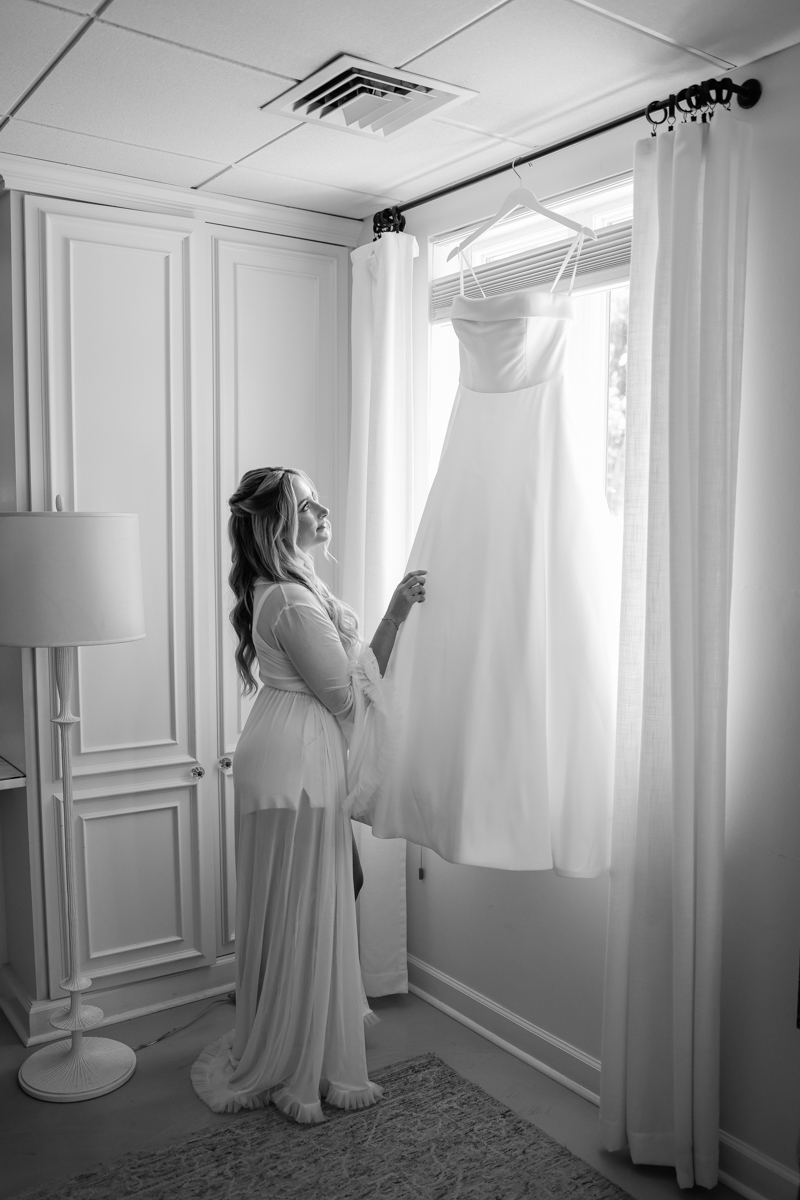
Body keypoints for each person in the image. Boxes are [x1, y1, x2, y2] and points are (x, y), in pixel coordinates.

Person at [191, 466, 426, 1123]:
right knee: (310, 899)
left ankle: (299, 1031)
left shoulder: (288, 588)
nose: (322, 512)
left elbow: (342, 680)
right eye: (307, 505)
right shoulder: (291, 600)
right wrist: (395, 617)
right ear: (277, 524)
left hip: (287, 748)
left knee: (312, 893)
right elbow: (346, 696)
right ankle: (300, 1053)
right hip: (297, 761)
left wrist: (393, 619)